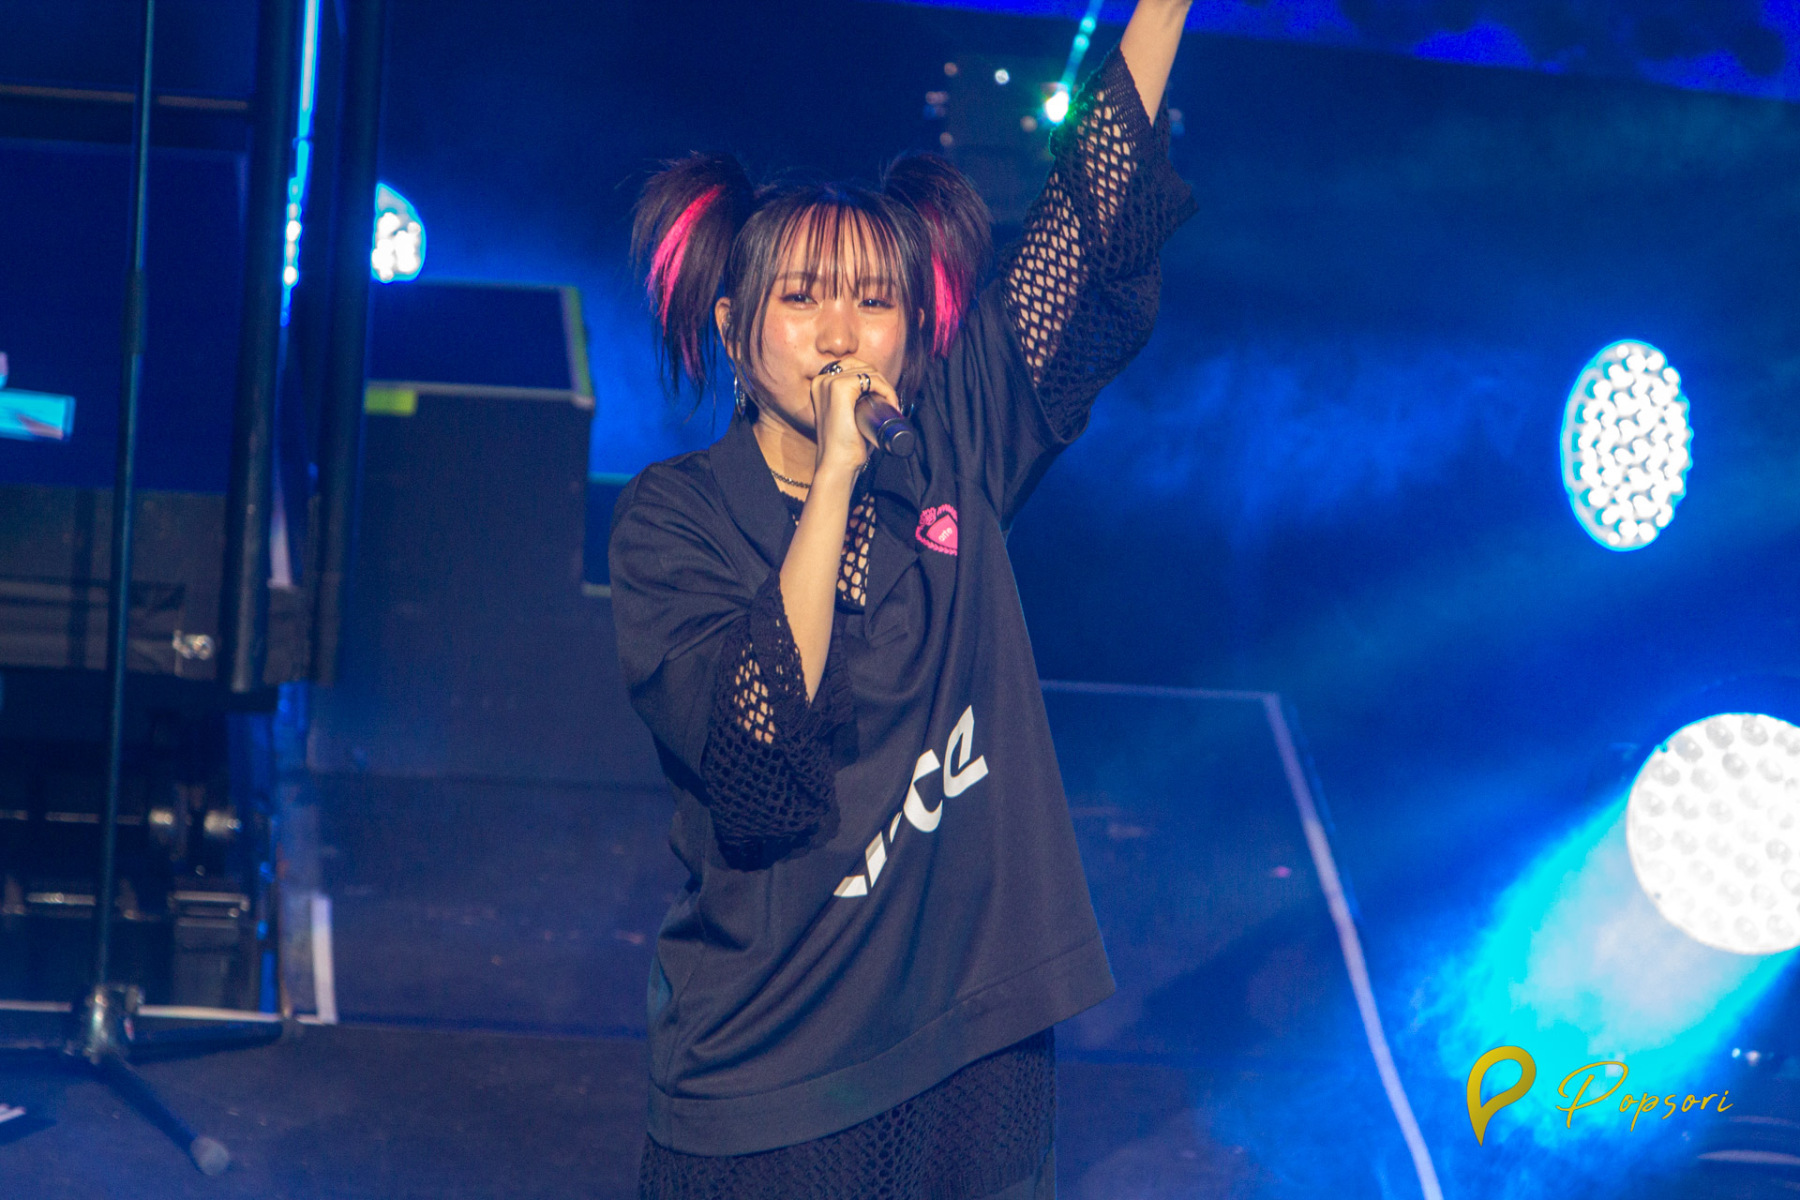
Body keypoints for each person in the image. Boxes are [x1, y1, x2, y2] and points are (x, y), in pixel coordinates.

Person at [609, 3, 1196, 1195]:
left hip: (969, 1048)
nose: (842, 332)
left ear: (914, 331)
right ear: (734, 332)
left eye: (874, 301)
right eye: (803, 299)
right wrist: (835, 476)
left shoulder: (958, 447)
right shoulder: (677, 519)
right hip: (773, 1074)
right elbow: (761, 743)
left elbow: (1087, 222)